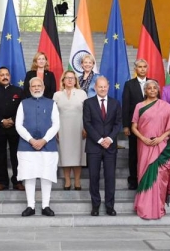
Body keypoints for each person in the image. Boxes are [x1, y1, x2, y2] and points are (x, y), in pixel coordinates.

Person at [131, 80, 170, 220]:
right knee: (145, 174)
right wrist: (143, 138)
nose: (152, 90)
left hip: (162, 146)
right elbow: (134, 126)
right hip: (144, 145)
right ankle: (144, 207)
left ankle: (158, 207)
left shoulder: (165, 106)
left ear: (158, 90)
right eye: (149, 88)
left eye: (154, 88)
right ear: (145, 91)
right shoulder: (139, 106)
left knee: (160, 178)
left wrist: (161, 138)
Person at [16, 77, 60, 217]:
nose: (36, 88)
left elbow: (56, 124)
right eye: (33, 86)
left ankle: (46, 205)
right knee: (29, 175)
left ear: (43, 87)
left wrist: (44, 140)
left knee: (46, 175)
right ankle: (31, 206)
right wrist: (31, 140)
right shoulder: (23, 103)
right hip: (26, 146)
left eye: (39, 85)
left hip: (48, 146)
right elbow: (18, 125)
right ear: (29, 89)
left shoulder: (51, 103)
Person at [83, 76, 122, 216]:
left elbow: (118, 123)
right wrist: (100, 140)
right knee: (93, 177)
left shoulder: (115, 103)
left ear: (108, 87)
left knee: (110, 177)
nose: (103, 89)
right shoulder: (88, 103)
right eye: (100, 86)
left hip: (110, 147)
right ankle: (95, 205)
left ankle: (110, 206)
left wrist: (110, 139)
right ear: (95, 87)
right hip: (94, 146)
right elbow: (87, 123)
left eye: (105, 86)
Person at [0, 67, 25, 191]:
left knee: (16, 156)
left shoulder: (19, 91)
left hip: (15, 128)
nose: (5, 77)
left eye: (7, 74)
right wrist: (1, 120)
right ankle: (3, 182)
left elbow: (23, 109)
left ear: (10, 76)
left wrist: (12, 120)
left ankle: (17, 181)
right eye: (2, 75)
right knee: (0, 156)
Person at [53, 70, 87, 190]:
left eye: (72, 78)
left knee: (78, 154)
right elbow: (54, 114)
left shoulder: (82, 93)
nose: (70, 80)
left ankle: (77, 180)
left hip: (79, 127)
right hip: (62, 128)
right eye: (67, 78)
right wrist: (55, 129)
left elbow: (87, 112)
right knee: (65, 154)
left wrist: (86, 128)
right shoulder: (57, 94)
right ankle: (67, 180)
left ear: (76, 80)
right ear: (63, 80)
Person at [122, 59, 151, 190]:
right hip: (135, 126)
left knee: (148, 153)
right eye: (140, 67)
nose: (143, 69)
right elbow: (126, 105)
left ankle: (146, 177)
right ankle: (133, 180)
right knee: (134, 153)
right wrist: (126, 125)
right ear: (135, 69)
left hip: (150, 126)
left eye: (145, 66)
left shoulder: (152, 83)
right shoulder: (129, 85)